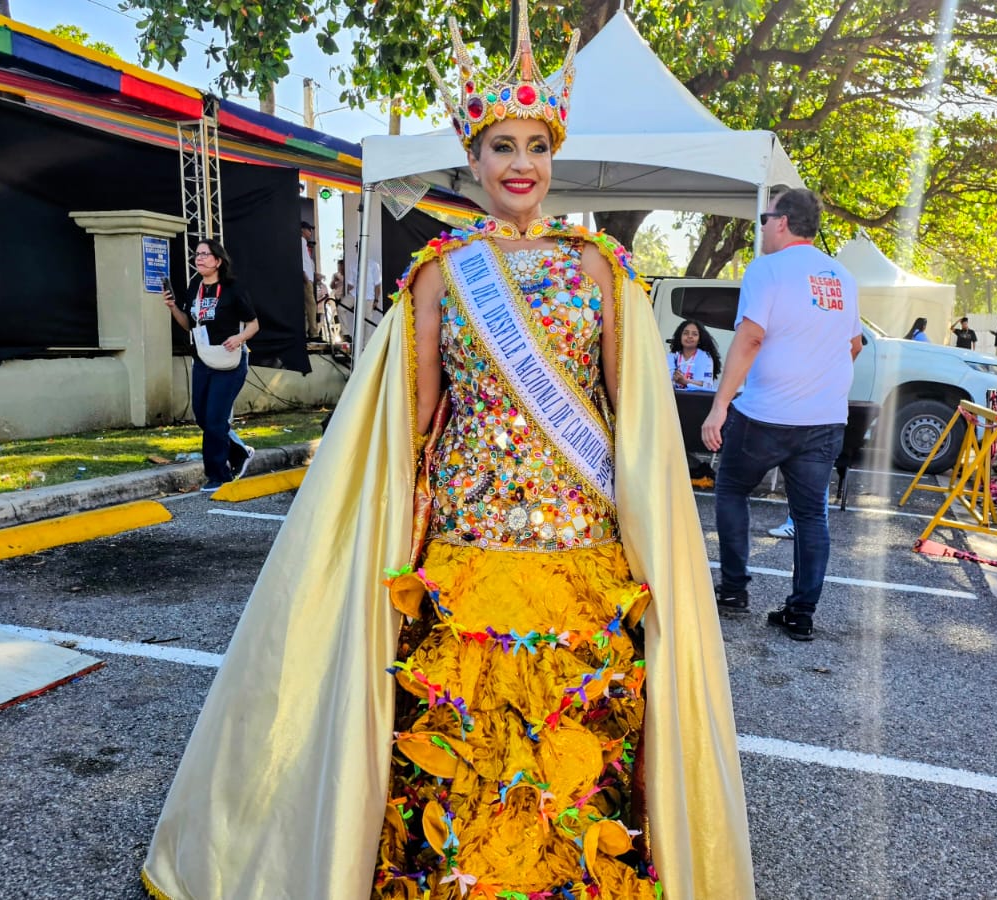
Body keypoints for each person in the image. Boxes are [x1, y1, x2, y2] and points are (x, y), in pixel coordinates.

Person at [142, 13, 754, 900]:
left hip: (579, 546)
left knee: (571, 743)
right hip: (466, 545)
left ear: (554, 156)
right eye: (501, 144)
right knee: (462, 737)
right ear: (474, 158)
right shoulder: (437, 271)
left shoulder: (600, 269)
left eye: (536, 146)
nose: (520, 163)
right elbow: (416, 413)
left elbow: (631, 416)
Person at [702, 187, 861, 642]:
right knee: (812, 516)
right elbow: (853, 345)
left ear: (783, 222)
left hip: (766, 414)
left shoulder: (767, 270)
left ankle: (734, 590)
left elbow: (750, 339)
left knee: (732, 489)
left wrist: (719, 405)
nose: (762, 228)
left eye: (764, 219)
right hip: (825, 417)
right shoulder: (842, 277)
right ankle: (800, 614)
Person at [163, 239, 260, 492]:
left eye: (206, 254)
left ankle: (219, 475)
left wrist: (238, 338)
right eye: (197, 254)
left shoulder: (232, 288)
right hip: (203, 359)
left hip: (230, 362)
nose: (200, 258)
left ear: (218, 261)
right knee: (203, 416)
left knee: (216, 418)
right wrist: (173, 307)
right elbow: (188, 325)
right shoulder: (194, 286)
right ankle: (239, 451)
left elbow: (253, 324)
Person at [667, 318, 722, 390]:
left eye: (694, 334)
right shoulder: (671, 356)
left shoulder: (704, 357)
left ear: (699, 339)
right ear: (680, 337)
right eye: (686, 333)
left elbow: (707, 386)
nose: (690, 336)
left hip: (695, 399)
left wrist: (685, 381)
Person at [301, 220, 318, 339]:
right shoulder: (301, 241)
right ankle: (314, 332)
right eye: (308, 229)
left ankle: (305, 332)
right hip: (305, 279)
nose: (310, 232)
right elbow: (299, 259)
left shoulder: (303, 242)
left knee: (306, 308)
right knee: (311, 305)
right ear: (302, 230)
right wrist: (304, 275)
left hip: (308, 278)